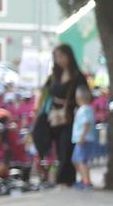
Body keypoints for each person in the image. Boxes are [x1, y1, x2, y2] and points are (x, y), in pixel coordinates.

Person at [39, 43, 91, 188]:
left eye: (61, 56)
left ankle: (65, 180)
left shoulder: (77, 76)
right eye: (56, 57)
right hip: (53, 118)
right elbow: (45, 93)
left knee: (66, 147)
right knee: (57, 149)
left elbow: (86, 96)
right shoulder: (54, 75)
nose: (59, 60)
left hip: (70, 118)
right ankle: (60, 178)